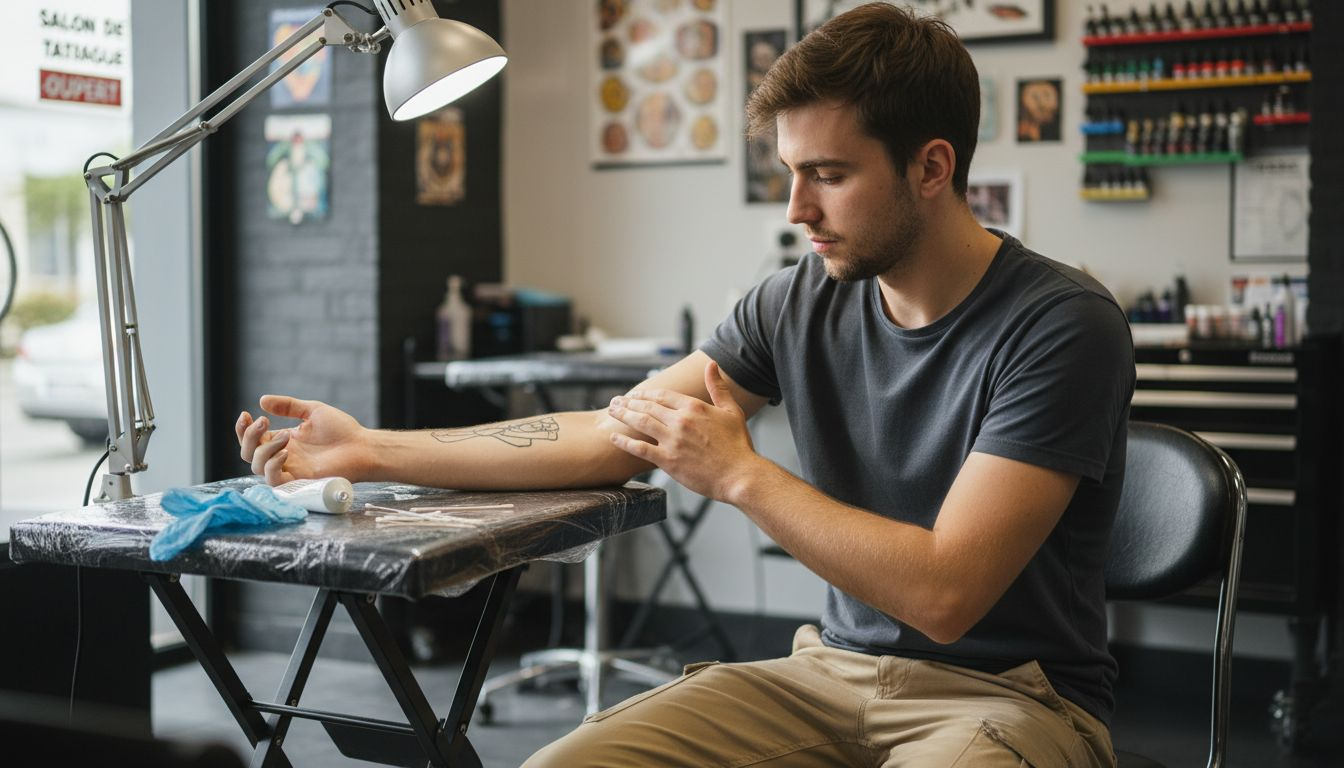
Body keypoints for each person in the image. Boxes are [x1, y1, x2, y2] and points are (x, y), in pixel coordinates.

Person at [236, 4, 1133, 765]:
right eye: (790, 174)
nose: (797, 210)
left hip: (1013, 701)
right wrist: (368, 447)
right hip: (826, 674)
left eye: (828, 175)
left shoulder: (1061, 325)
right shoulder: (795, 302)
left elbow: (946, 595)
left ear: (932, 168)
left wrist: (740, 474)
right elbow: (607, 434)